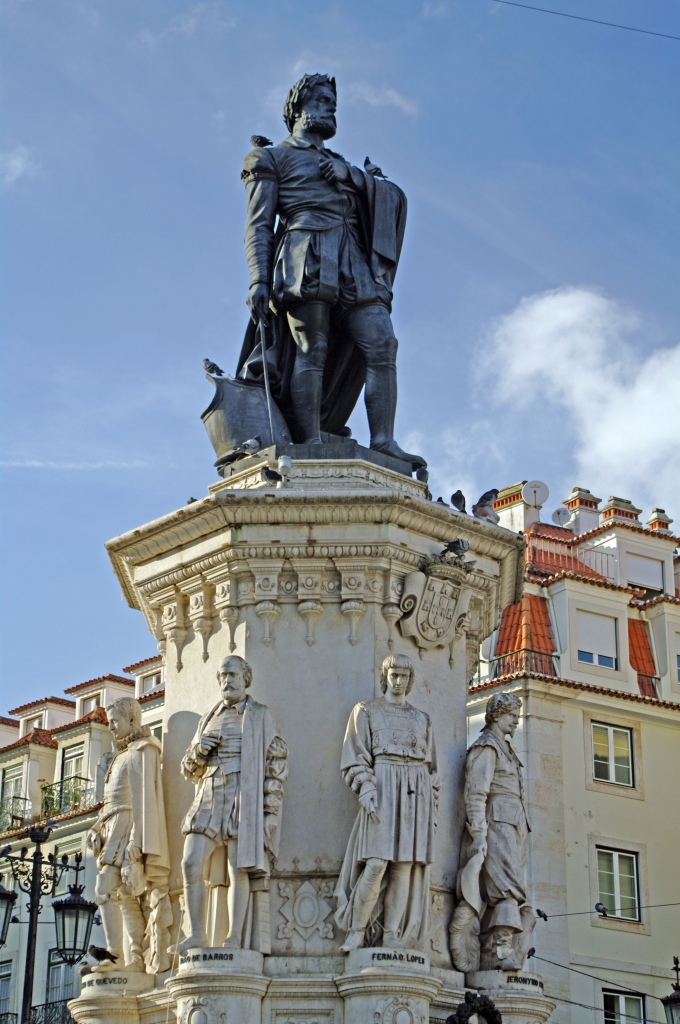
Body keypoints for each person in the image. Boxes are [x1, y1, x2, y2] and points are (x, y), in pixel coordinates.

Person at [237, 73, 425, 468]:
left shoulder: (343, 165)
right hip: (304, 253)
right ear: (297, 108)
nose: (331, 108)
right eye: (322, 101)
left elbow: (390, 197)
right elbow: (259, 224)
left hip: (352, 257)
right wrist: (259, 278)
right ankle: (309, 439)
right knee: (312, 348)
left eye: (332, 103)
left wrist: (353, 177)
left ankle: (383, 440)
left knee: (383, 343)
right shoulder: (269, 158)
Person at [169, 656, 288, 951]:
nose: (227, 681)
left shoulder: (260, 715)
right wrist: (199, 751)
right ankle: (197, 934)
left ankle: (234, 936)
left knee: (238, 867)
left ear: (246, 678)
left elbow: (275, 763)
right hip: (209, 791)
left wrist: (270, 810)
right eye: (222, 675)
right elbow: (188, 770)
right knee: (190, 862)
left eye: (232, 674)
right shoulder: (208, 718)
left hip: (242, 792)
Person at [335, 654, 438, 950]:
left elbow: (432, 768)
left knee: (403, 865)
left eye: (404, 676)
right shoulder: (366, 710)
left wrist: (431, 805)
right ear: (385, 676)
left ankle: (392, 933)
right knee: (377, 862)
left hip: (415, 789)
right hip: (382, 784)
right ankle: (357, 930)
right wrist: (365, 787)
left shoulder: (422, 719)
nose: (399, 681)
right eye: (394, 675)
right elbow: (355, 755)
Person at [450, 691, 534, 973]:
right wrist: (478, 834)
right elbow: (476, 793)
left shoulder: (505, 748)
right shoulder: (487, 746)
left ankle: (494, 952)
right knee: (506, 888)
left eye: (517, 716)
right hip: (497, 823)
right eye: (511, 716)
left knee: (513, 889)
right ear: (497, 715)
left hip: (514, 825)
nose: (516, 721)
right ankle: (501, 951)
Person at [87, 697, 171, 974]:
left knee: (105, 889)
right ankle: (134, 958)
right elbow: (110, 802)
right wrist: (96, 827)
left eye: (115, 721)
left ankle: (117, 956)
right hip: (111, 826)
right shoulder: (120, 755)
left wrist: (138, 839)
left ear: (132, 719)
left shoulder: (144, 749)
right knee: (124, 894)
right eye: (109, 722)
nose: (111, 727)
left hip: (128, 825)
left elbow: (145, 798)